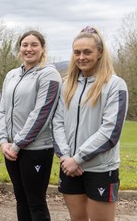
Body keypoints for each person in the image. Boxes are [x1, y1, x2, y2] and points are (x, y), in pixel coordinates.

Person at [52, 26, 128, 221]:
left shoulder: (114, 85)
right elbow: (57, 122)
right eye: (77, 52)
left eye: (87, 52)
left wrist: (78, 159)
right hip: (69, 166)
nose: (81, 57)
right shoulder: (66, 83)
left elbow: (110, 132)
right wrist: (67, 158)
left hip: (100, 169)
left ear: (100, 52)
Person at [0, 30, 62, 220]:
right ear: (20, 49)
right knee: (21, 199)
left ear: (43, 49)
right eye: (25, 45)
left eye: (34, 45)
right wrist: (3, 141)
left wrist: (17, 145)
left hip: (36, 149)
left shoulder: (50, 74)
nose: (29, 49)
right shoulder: (11, 75)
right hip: (10, 149)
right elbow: (2, 109)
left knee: (36, 202)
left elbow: (41, 114)